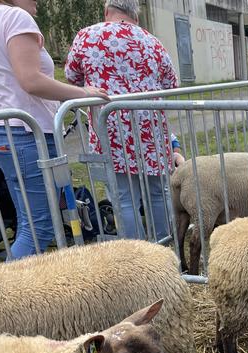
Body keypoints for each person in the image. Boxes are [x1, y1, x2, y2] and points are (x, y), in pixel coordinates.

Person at [0, 0, 108, 260]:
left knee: (29, 222)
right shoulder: (15, 18)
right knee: (39, 229)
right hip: (26, 135)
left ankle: (20, 292)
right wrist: (82, 93)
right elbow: (30, 80)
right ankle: (9, 296)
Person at [66, 0, 179, 241]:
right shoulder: (152, 41)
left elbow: (71, 76)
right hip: (151, 132)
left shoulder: (87, 37)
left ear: (107, 12)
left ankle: (135, 260)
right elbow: (171, 84)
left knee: (123, 198)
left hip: (112, 131)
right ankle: (164, 249)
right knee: (158, 193)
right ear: (134, 15)